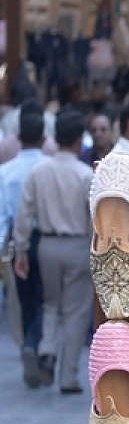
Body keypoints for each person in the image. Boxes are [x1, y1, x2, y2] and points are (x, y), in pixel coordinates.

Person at [13, 107, 93, 395]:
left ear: (55, 137)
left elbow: (24, 214)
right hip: (78, 244)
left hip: (46, 243)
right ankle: (68, 377)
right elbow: (95, 217)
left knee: (50, 303)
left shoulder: (38, 171)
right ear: (78, 139)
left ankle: (47, 348)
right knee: (76, 310)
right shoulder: (86, 175)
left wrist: (21, 249)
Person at [1, 105, 47, 385]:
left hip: (19, 241)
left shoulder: (6, 172)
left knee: (25, 299)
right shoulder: (48, 168)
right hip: (47, 237)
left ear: (18, 137)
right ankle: (37, 345)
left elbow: (3, 215)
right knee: (49, 300)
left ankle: (30, 343)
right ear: (44, 138)